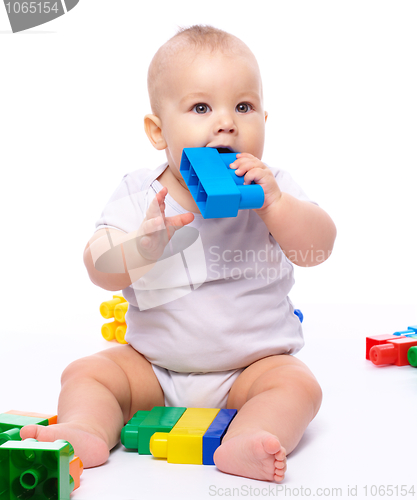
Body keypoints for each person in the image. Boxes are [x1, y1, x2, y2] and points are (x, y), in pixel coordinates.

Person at [21, 25, 337, 483]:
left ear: (264, 122)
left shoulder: (274, 188)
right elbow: (98, 267)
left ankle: (251, 436)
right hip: (152, 367)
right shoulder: (138, 193)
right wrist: (139, 248)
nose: (226, 122)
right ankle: (86, 429)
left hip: (251, 369)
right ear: (158, 130)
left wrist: (277, 207)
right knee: (88, 372)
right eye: (201, 107)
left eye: (244, 107)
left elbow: (318, 248)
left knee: (298, 386)